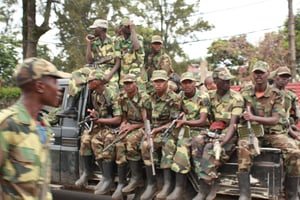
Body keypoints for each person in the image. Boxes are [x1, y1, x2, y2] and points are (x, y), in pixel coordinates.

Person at [0, 57, 68, 200]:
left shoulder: (43, 125)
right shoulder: (7, 124)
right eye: (55, 81)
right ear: (40, 86)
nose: (59, 88)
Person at [237, 61, 300, 200]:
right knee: (243, 147)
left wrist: (253, 116)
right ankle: (244, 194)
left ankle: (292, 194)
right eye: (256, 73)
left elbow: (275, 119)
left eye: (262, 73)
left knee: (294, 152)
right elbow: (237, 111)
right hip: (252, 130)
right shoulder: (244, 93)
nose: (259, 76)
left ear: (267, 75)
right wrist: (242, 115)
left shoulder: (276, 94)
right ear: (252, 75)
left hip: (273, 132)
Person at [192, 69, 244, 200]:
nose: (228, 83)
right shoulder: (209, 96)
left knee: (210, 148)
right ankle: (205, 180)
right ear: (215, 82)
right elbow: (203, 114)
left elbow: (233, 124)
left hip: (229, 133)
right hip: (214, 129)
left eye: (229, 80)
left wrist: (223, 142)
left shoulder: (236, 98)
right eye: (224, 80)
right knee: (196, 141)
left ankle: (205, 190)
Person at [58, 19, 120, 118]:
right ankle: (71, 107)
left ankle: (111, 113)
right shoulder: (94, 42)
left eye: (95, 29)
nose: (93, 31)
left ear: (102, 29)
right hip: (96, 68)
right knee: (76, 74)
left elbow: (118, 61)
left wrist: (109, 75)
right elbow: (89, 61)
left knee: (112, 89)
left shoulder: (114, 41)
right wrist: (89, 44)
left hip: (110, 69)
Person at [74, 69, 122, 195]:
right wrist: (95, 115)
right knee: (85, 139)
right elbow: (99, 112)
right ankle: (87, 172)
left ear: (99, 81)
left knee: (102, 141)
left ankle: (108, 178)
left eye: (91, 81)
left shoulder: (112, 94)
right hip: (101, 124)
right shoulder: (94, 94)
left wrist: (99, 119)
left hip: (113, 126)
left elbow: (118, 119)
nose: (88, 83)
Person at [167, 72, 210, 200]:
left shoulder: (203, 97)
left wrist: (184, 121)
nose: (187, 85)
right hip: (184, 127)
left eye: (189, 82)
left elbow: (202, 120)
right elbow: (174, 114)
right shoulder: (180, 96)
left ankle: (182, 188)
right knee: (168, 141)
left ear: (194, 83)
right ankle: (173, 184)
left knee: (183, 144)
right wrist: (178, 116)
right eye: (184, 83)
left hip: (201, 129)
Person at [140, 70, 181, 200]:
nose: (158, 84)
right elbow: (144, 111)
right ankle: (152, 184)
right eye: (155, 81)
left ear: (166, 82)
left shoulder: (174, 98)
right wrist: (148, 128)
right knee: (145, 145)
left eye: (161, 81)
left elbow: (174, 122)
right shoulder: (149, 97)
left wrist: (157, 130)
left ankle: (167, 185)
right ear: (152, 83)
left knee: (167, 145)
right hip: (153, 129)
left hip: (169, 129)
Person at [112, 74, 150, 199]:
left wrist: (132, 127)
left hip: (142, 126)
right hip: (130, 125)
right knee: (118, 142)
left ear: (135, 84)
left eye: (130, 83)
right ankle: (121, 182)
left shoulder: (144, 98)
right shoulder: (123, 97)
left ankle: (136, 177)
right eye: (125, 83)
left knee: (131, 141)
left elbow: (147, 122)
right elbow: (124, 116)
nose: (128, 86)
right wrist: (123, 124)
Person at [114, 17, 147, 91]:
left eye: (129, 26)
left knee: (140, 98)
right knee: (124, 98)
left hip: (138, 75)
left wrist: (133, 30)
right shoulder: (119, 40)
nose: (128, 28)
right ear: (121, 28)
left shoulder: (138, 37)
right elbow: (118, 57)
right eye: (126, 26)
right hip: (124, 75)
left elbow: (137, 48)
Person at [272, 66, 300, 139]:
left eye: (287, 77)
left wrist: (291, 125)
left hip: (287, 131)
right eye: (281, 76)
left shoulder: (291, 96)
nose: (284, 79)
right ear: (275, 77)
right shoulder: (267, 93)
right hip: (271, 130)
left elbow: (295, 117)